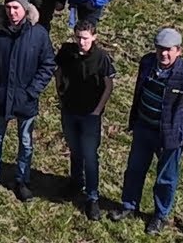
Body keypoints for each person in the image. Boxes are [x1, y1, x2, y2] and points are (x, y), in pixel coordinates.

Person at [111, 27, 183, 235]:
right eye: (160, 48)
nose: (163, 53)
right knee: (134, 170)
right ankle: (129, 205)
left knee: (166, 178)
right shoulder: (147, 63)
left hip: (169, 136)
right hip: (143, 128)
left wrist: (177, 124)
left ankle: (159, 216)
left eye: (168, 50)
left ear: (179, 51)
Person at [0, 0, 56, 201]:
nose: (12, 12)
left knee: (26, 142)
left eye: (16, 8)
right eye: (8, 7)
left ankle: (22, 180)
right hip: (0, 96)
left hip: (25, 99)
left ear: (25, 9)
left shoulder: (38, 34)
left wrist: (32, 91)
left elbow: (48, 64)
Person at [55, 19, 116, 221]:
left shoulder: (101, 58)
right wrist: (61, 96)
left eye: (86, 38)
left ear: (94, 37)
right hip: (69, 111)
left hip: (90, 115)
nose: (82, 42)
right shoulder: (67, 52)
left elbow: (108, 85)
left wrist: (98, 110)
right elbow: (58, 72)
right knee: (74, 150)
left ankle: (92, 197)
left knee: (90, 157)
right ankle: (76, 182)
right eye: (78, 38)